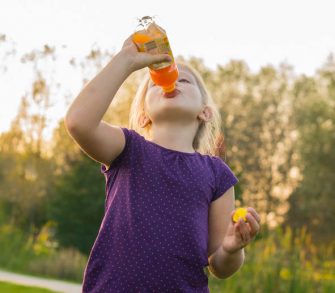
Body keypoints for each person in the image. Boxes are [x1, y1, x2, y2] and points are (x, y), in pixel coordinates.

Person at [65, 34, 261, 292]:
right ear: (144, 115)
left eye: (185, 79)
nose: (171, 79)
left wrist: (231, 248)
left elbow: (219, 264)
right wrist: (125, 61)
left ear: (205, 112)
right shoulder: (128, 148)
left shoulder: (217, 175)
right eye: (155, 82)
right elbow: (79, 121)